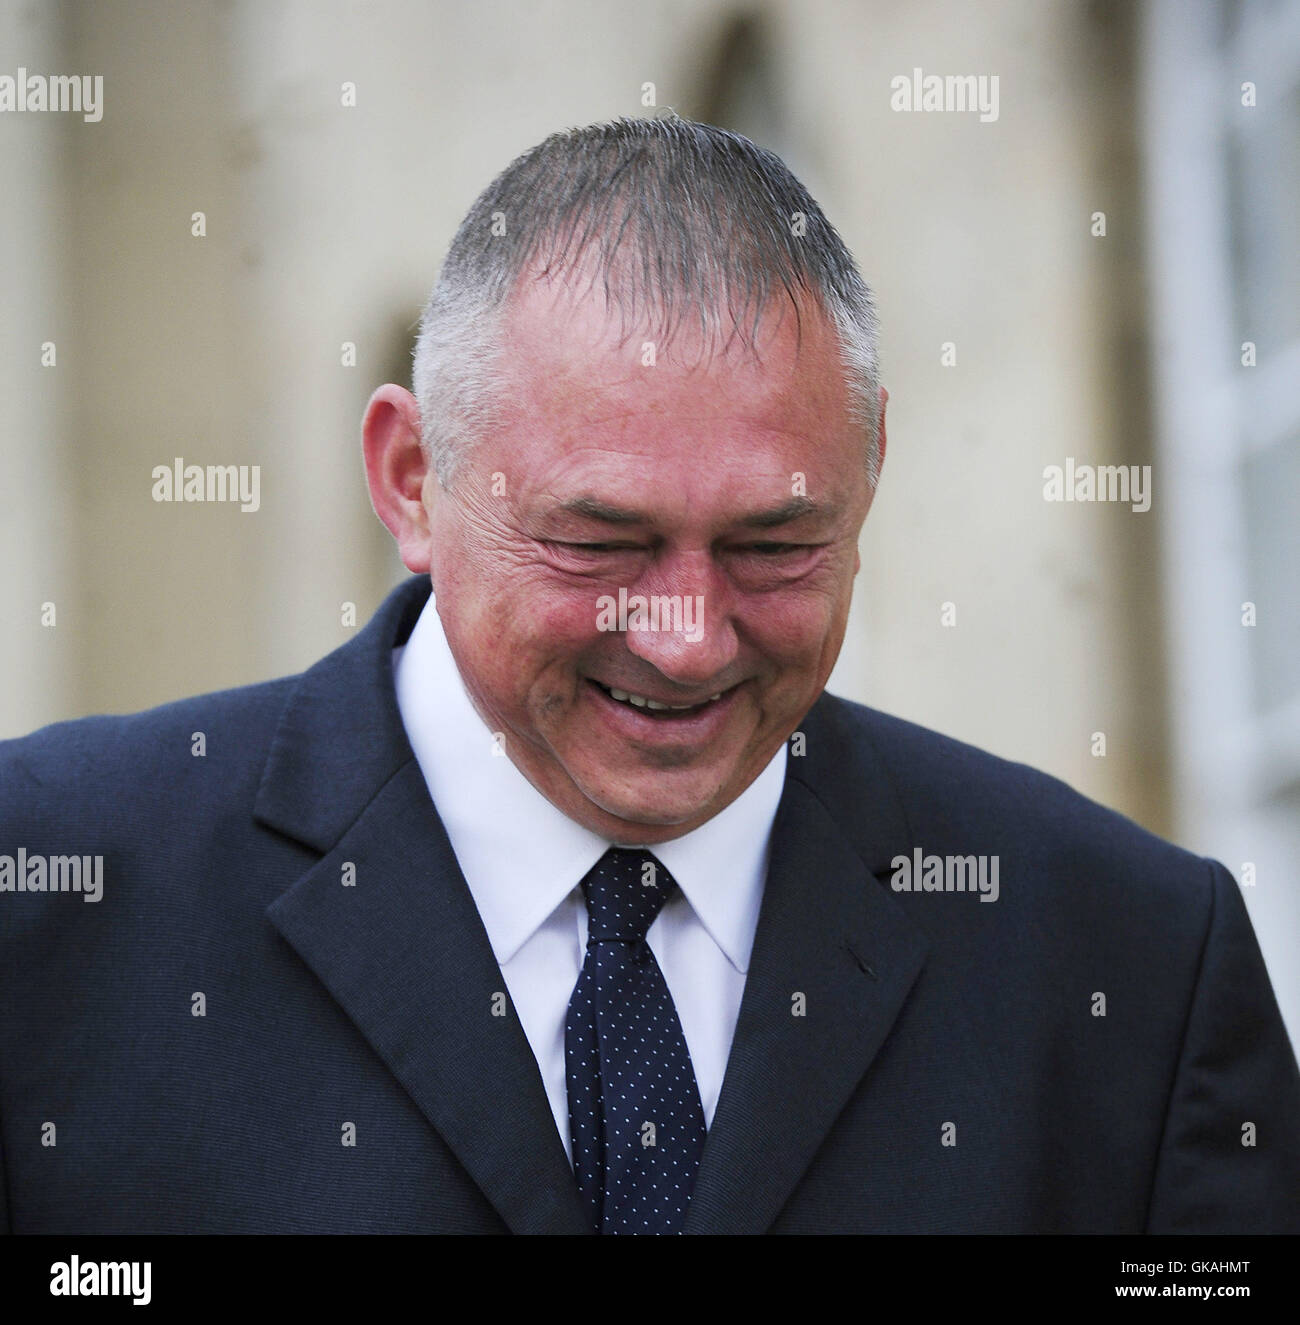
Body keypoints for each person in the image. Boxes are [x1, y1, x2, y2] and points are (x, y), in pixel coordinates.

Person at [1, 116, 1296, 1235]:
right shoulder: (49, 899)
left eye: (773, 544)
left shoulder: (1132, 965)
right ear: (411, 478)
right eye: (597, 540)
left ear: (871, 469)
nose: (684, 634)